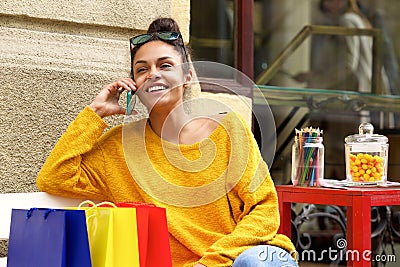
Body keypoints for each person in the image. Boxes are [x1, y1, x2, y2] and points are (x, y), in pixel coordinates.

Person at [36, 17, 297, 266]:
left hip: (240, 258)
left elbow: (264, 209)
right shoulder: (119, 148)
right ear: (134, 85)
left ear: (187, 76)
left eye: (165, 65)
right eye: (142, 69)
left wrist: (209, 263)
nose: (153, 74)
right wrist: (97, 113)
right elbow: (55, 177)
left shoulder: (226, 128)